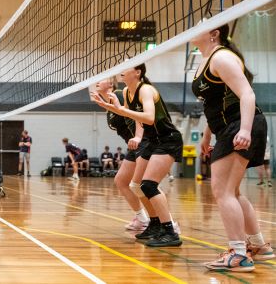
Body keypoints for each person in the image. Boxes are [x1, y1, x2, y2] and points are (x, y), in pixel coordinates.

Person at [191, 24, 272, 271]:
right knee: (232, 191)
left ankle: (238, 254)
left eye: (201, 26)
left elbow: (247, 94)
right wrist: (207, 136)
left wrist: (245, 129)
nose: (194, 29)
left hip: (241, 125)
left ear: (214, 34)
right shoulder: (205, 62)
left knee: (222, 191)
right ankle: (258, 246)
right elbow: (215, 105)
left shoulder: (222, 57)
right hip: (229, 126)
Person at [95, 63, 183, 247]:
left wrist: (119, 110)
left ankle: (170, 230)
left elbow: (149, 117)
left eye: (126, 67)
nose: (121, 69)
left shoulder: (146, 90)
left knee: (148, 185)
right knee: (136, 185)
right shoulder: (127, 91)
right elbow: (134, 118)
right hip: (150, 141)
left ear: (137, 72)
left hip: (167, 139)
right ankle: (155, 223)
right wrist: (135, 133)